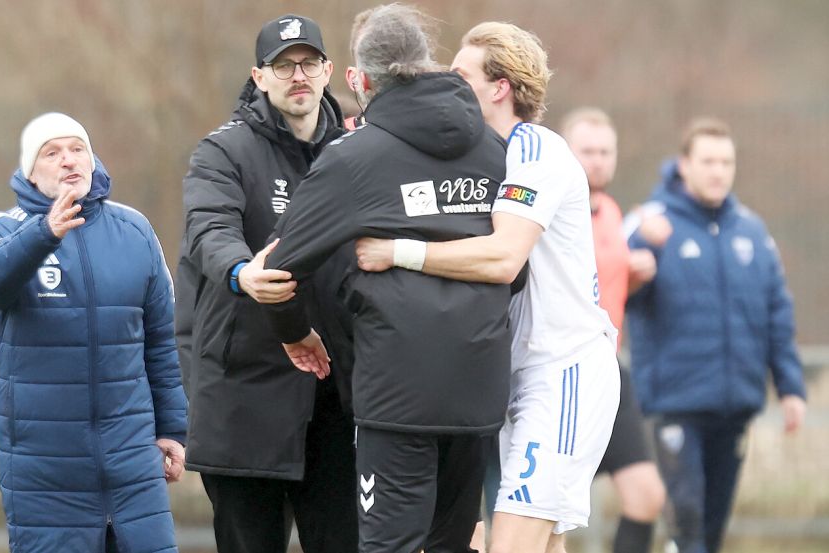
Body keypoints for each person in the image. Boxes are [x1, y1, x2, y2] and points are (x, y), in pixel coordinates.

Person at [256, 5, 516, 552]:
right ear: (428, 65)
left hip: (395, 396)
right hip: (478, 389)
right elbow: (514, 269)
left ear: (361, 80)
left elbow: (280, 268)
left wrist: (295, 332)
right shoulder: (499, 152)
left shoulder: (354, 157)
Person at [355, 22, 621, 553]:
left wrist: (397, 252)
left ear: (499, 87)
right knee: (540, 543)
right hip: (521, 378)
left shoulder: (535, 150)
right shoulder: (487, 154)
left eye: (461, 75)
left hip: (563, 372)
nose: (448, 85)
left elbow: (503, 258)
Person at [174, 13, 358, 553]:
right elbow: (209, 229)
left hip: (335, 401)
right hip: (245, 397)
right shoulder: (223, 151)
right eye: (283, 66)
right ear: (259, 77)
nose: (297, 76)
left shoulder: (357, 152)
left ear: (328, 72)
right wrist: (242, 273)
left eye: (308, 64)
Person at [0, 112, 187, 553]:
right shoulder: (1, 230)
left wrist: (172, 428)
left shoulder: (135, 231)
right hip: (45, 479)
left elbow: (160, 341)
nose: (68, 160)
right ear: (30, 170)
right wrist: (44, 233)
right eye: (52, 152)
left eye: (77, 149)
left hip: (132, 471)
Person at [624, 117, 807, 553]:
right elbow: (614, 283)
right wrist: (637, 252)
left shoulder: (753, 232)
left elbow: (777, 314)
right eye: (708, 160)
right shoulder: (651, 224)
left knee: (710, 527)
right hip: (675, 404)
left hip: (735, 405)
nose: (718, 171)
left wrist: (790, 387)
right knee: (687, 516)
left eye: (726, 161)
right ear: (684, 164)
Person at [562, 107, 666, 553]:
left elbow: (607, 285)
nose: (598, 160)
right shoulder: (555, 211)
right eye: (588, 151)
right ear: (566, 152)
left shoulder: (611, 212)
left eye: (606, 151)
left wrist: (636, 272)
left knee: (646, 495)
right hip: (563, 369)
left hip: (609, 367)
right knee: (551, 514)